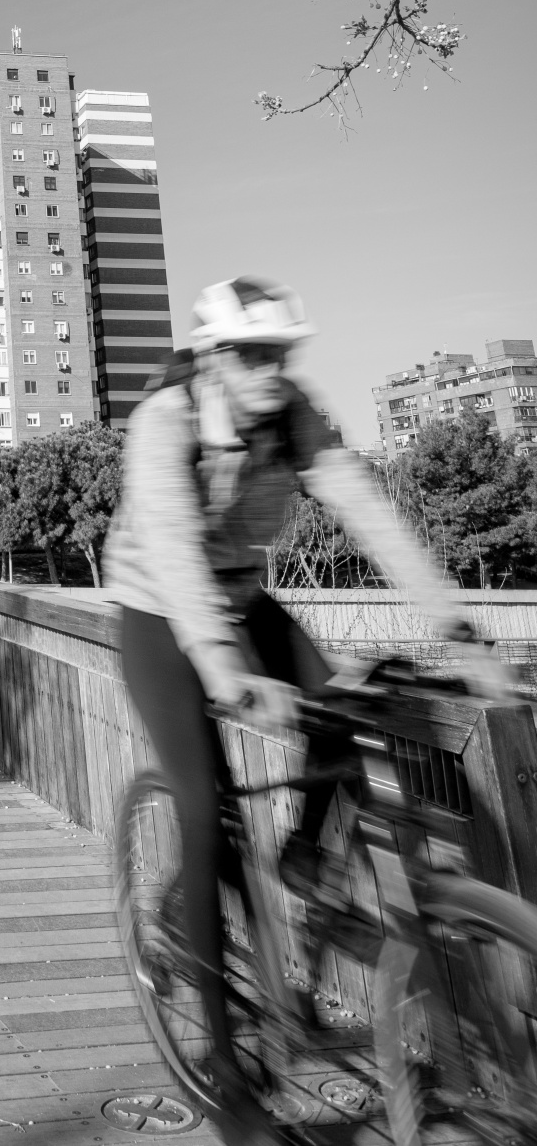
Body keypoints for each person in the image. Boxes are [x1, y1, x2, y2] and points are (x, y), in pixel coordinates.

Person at [104, 275, 510, 1146]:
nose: (268, 370)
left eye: (281, 353)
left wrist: (462, 633)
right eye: (250, 354)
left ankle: (299, 858)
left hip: (246, 599)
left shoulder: (295, 415)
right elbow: (171, 550)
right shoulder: (164, 422)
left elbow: (372, 516)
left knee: (338, 711)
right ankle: (227, 1073)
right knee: (206, 816)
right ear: (213, 357)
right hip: (156, 612)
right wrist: (221, 668)